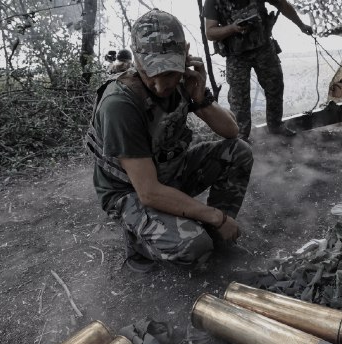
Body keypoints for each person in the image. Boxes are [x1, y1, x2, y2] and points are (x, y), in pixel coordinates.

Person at [85, 9, 254, 273]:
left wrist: (200, 100)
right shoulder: (120, 104)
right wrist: (216, 216)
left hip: (170, 171)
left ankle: (212, 232)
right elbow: (149, 191)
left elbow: (232, 132)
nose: (161, 85)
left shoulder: (186, 80)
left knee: (239, 152)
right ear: (136, 59)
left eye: (169, 72)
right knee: (194, 247)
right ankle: (139, 243)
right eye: (150, 72)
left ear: (185, 54)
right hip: (131, 191)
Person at [203, 0, 313, 142]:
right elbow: (210, 32)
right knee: (239, 99)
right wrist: (233, 28)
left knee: (275, 86)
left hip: (263, 47)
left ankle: (276, 126)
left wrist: (301, 25)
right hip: (236, 55)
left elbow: (282, 5)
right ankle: (241, 137)